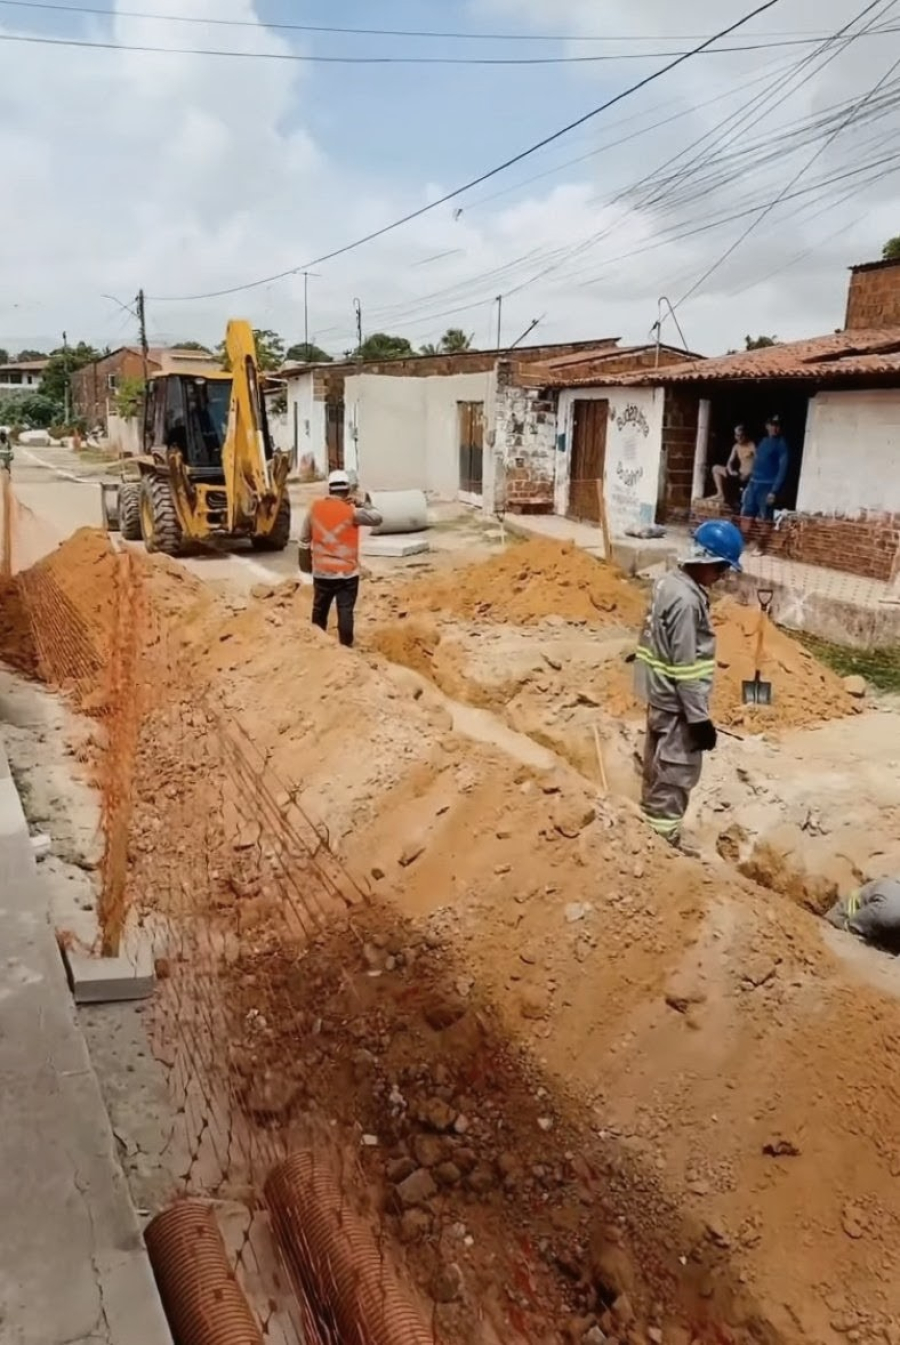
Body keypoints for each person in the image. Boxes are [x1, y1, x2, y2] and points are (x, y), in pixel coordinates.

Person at [634, 519, 744, 850]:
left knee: (657, 768)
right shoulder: (686, 601)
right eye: (722, 567)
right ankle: (662, 847)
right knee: (676, 774)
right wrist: (699, 720)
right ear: (705, 561)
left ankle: (647, 835)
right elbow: (685, 667)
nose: (723, 575)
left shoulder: (667, 583)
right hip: (677, 703)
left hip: (658, 695)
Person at [299, 470, 383, 648]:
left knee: (319, 609)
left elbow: (304, 540)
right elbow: (377, 518)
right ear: (347, 490)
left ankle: (316, 644)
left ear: (329, 489)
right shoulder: (352, 512)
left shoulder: (315, 509)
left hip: (322, 573)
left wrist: (305, 566)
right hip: (347, 574)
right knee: (345, 611)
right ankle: (346, 647)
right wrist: (362, 503)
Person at [741, 415, 789, 524]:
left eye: (777, 426)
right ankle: (746, 540)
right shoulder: (762, 441)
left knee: (764, 519)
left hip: (767, 486)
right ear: (767, 426)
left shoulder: (781, 444)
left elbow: (782, 469)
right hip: (753, 484)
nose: (775, 429)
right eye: (772, 425)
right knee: (746, 515)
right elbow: (755, 461)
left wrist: (774, 491)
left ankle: (761, 541)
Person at [712, 425, 755, 506]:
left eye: (741, 435)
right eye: (737, 435)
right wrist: (731, 471)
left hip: (748, 476)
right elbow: (730, 462)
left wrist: (749, 474)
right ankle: (720, 494)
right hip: (738, 474)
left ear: (745, 435)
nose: (739, 438)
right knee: (715, 468)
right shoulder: (736, 446)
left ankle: (736, 501)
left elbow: (759, 462)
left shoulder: (751, 445)